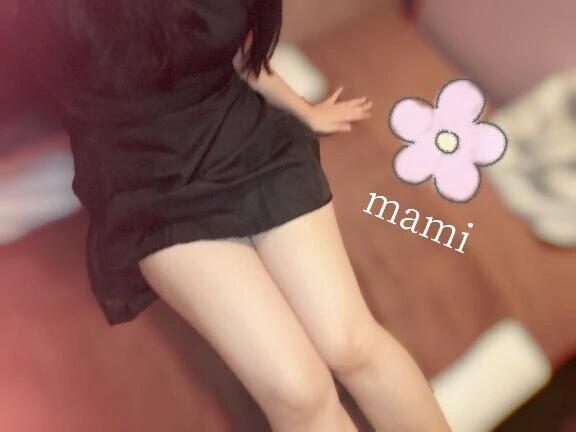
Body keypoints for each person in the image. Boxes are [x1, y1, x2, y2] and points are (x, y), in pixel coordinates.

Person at [13, 0, 451, 430]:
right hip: (150, 183)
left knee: (350, 344)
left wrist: (304, 109)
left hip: (245, 138)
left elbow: (236, 47)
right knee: (298, 392)